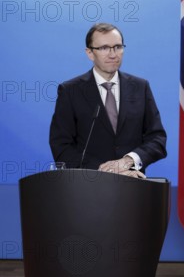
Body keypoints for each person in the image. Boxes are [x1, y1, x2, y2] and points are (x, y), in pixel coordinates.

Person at [49, 23, 167, 178]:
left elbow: (157, 139)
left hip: (133, 186)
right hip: (87, 186)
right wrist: (104, 171)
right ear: (90, 53)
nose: (113, 54)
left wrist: (128, 161)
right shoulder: (70, 91)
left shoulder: (140, 87)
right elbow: (61, 146)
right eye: (104, 48)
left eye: (117, 47)